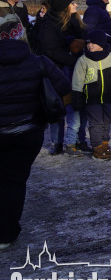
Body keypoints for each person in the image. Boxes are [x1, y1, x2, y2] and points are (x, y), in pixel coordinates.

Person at [0, 15, 71, 249]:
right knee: (14, 182)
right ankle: (6, 234)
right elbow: (64, 89)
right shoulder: (39, 62)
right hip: (28, 133)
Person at [35, 0, 88, 154]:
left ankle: (79, 140)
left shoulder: (73, 20)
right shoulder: (49, 24)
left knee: (78, 104)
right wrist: (73, 60)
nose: (76, 5)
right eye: (72, 3)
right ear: (64, 7)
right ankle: (57, 143)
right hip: (57, 70)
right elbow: (51, 50)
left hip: (73, 68)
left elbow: (82, 40)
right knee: (58, 107)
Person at [70, 30, 111, 160]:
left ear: (102, 43)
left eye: (93, 43)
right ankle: (97, 147)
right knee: (96, 123)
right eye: (88, 43)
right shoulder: (83, 60)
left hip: (108, 96)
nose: (90, 45)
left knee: (106, 121)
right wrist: (77, 97)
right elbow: (77, 80)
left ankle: (105, 143)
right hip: (91, 98)